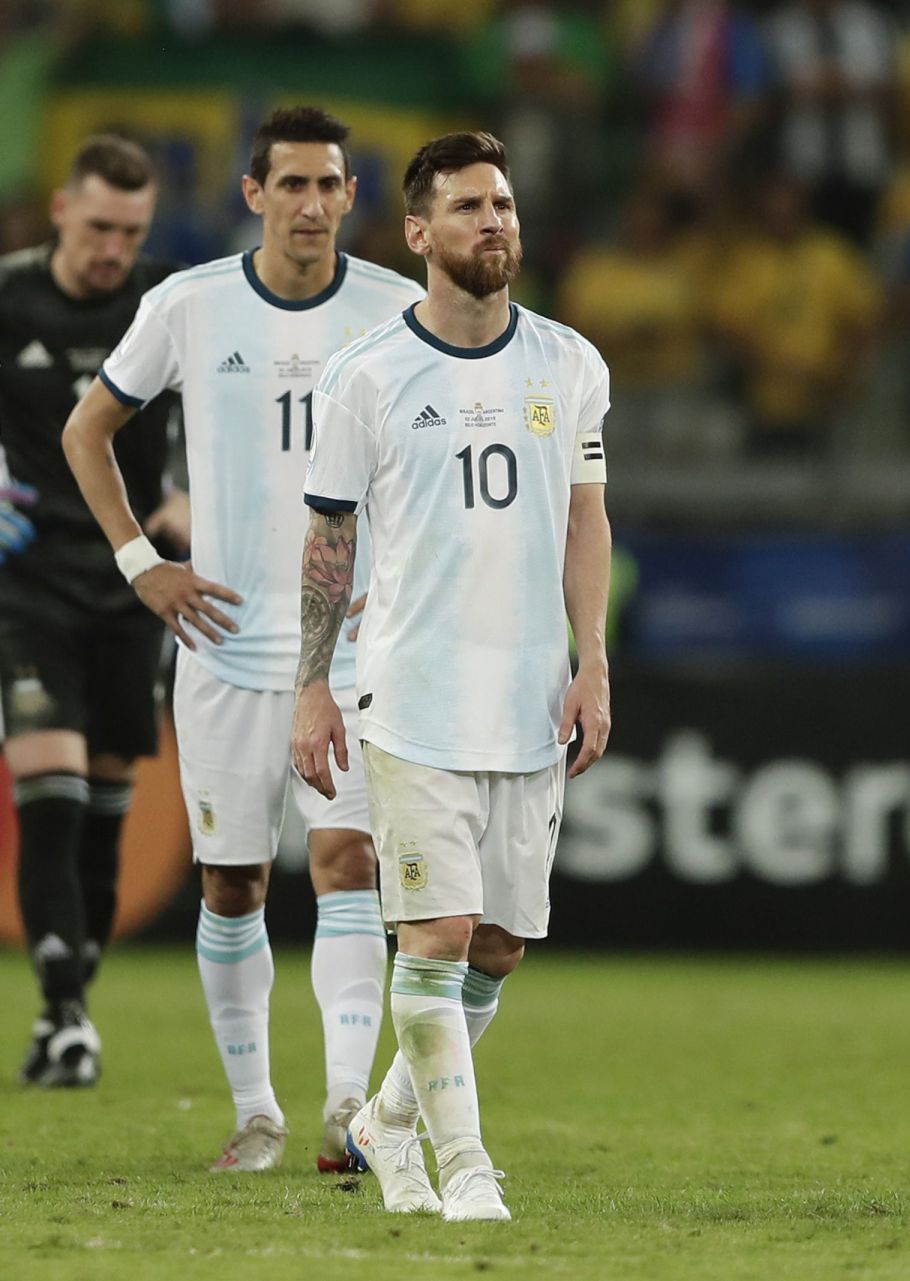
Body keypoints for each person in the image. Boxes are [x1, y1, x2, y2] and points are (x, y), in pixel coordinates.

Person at [63, 108, 424, 1172]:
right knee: (232, 886)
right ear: (253, 194)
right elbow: (87, 430)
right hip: (223, 649)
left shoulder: (399, 312)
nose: (312, 204)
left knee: (350, 864)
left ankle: (346, 1111)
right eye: (293, 185)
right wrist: (142, 562)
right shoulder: (188, 305)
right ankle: (257, 1112)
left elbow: (424, 469)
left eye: (331, 186)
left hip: (352, 659)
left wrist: (395, 576)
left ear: (352, 198)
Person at [293, 131, 612, 1224]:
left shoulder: (569, 363)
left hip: (529, 701)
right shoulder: (368, 374)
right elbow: (329, 540)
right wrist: (310, 684)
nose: (497, 223)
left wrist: (593, 663)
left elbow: (584, 519)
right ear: (420, 234)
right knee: (430, 937)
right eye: (471, 207)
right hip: (412, 697)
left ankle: (387, 1118)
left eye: (506, 204)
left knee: (499, 946)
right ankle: (466, 1168)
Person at [0, 135, 181, 1087]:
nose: (115, 247)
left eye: (133, 231)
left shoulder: (167, 303)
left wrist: (190, 497)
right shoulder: (8, 296)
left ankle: (64, 1007)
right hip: (27, 581)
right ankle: (68, 1015)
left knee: (107, 811)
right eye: (101, 225)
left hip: (134, 578)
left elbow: (221, 414)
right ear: (63, 210)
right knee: (53, 798)